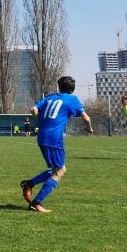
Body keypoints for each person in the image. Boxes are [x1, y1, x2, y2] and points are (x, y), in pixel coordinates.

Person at [20, 76, 93, 213]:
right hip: (54, 138)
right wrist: (89, 128)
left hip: (42, 136)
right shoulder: (72, 99)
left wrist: (41, 122)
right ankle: (36, 203)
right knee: (59, 172)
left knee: (59, 169)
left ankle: (29, 183)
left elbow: (33, 110)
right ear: (72, 89)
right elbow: (86, 118)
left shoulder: (49, 97)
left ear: (59, 87)